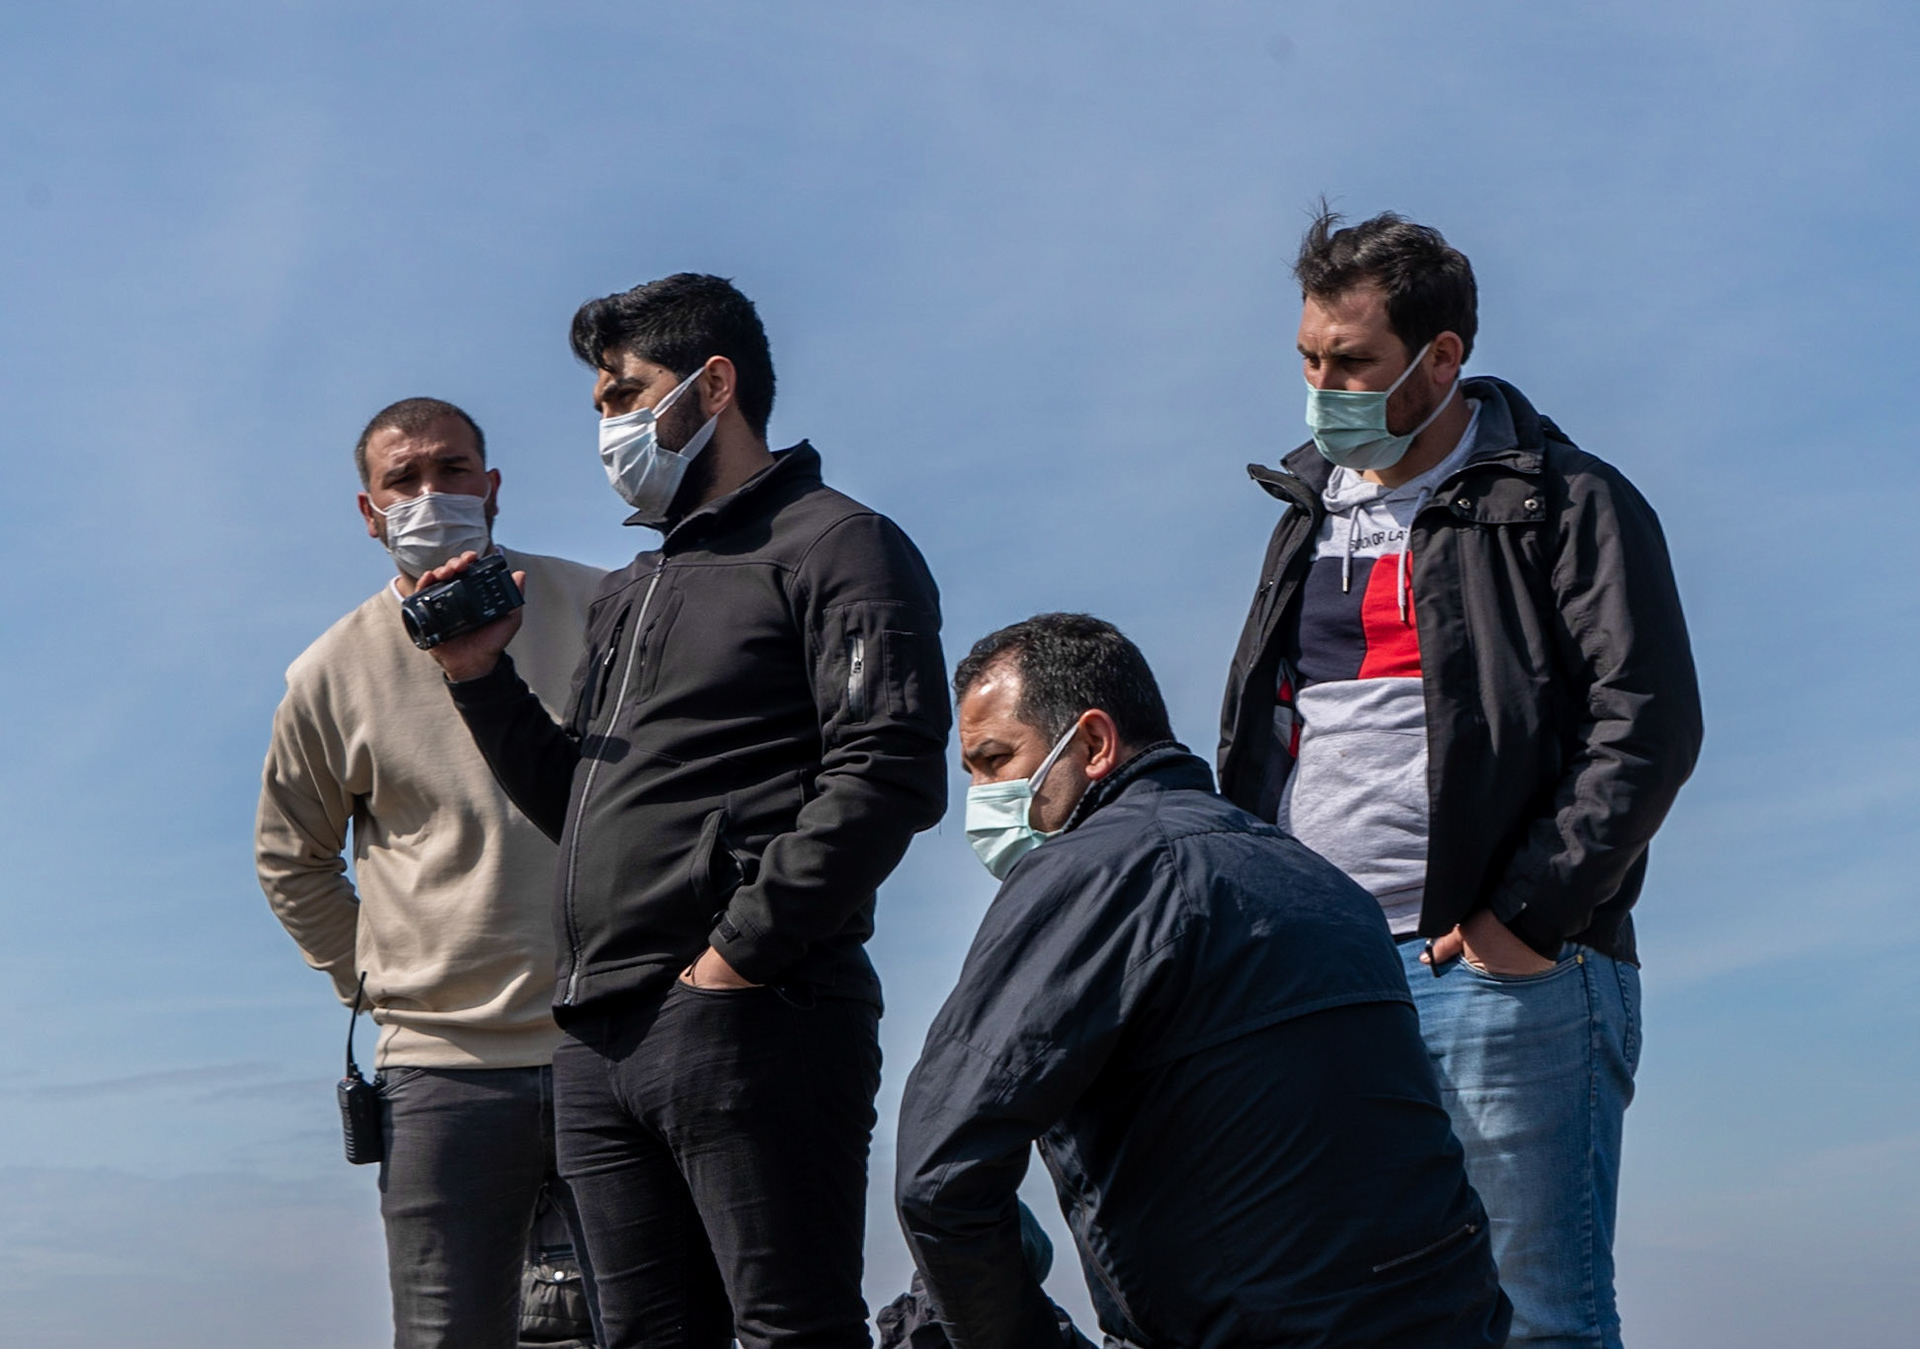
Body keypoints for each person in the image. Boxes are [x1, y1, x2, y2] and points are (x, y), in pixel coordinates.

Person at [416, 274, 951, 1349]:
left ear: (714, 385)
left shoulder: (837, 544)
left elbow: (888, 765)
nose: (609, 425)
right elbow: (585, 798)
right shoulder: (634, 584)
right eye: (600, 404)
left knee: (790, 1330)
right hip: (597, 1036)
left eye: (626, 394)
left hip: (754, 1015)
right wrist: (479, 674)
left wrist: (736, 958)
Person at [1218, 210, 1704, 1347]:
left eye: (1353, 363)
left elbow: (1648, 722)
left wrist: (1524, 918)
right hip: (1325, 979)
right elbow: (1276, 733)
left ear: (1443, 358)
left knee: (1531, 1319)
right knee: (1356, 1316)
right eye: (1307, 357)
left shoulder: (1568, 501)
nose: (1320, 388)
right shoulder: (1304, 515)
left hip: (1500, 977)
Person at [895, 613, 1512, 1349]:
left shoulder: (1093, 870)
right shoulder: (1324, 880)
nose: (979, 799)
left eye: (994, 760)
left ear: (1093, 743)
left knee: (923, 1323)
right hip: (1455, 1320)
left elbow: (938, 1178)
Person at [255, 397, 605, 1349]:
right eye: (402, 480)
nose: (430, 494)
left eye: (452, 471)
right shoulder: (327, 672)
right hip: (439, 1070)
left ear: (491, 488)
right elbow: (291, 857)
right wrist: (375, 984)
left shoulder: (607, 606)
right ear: (369, 512)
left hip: (614, 1044)